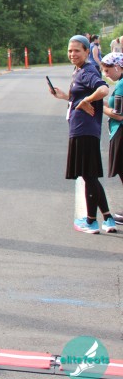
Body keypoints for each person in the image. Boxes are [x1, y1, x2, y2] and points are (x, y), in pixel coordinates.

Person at [49, 35, 114, 233]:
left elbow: (103, 89)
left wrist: (87, 100)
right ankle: (105, 219)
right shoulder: (78, 71)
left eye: (77, 50)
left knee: (89, 176)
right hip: (81, 129)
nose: (72, 54)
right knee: (89, 176)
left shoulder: (87, 71)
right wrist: (66, 97)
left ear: (87, 51)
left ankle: (94, 221)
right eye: (70, 50)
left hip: (85, 130)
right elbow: (79, 98)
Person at [101, 52, 123, 227]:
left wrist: (99, 107)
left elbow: (119, 114)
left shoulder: (121, 84)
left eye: (107, 70)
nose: (105, 74)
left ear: (117, 67)